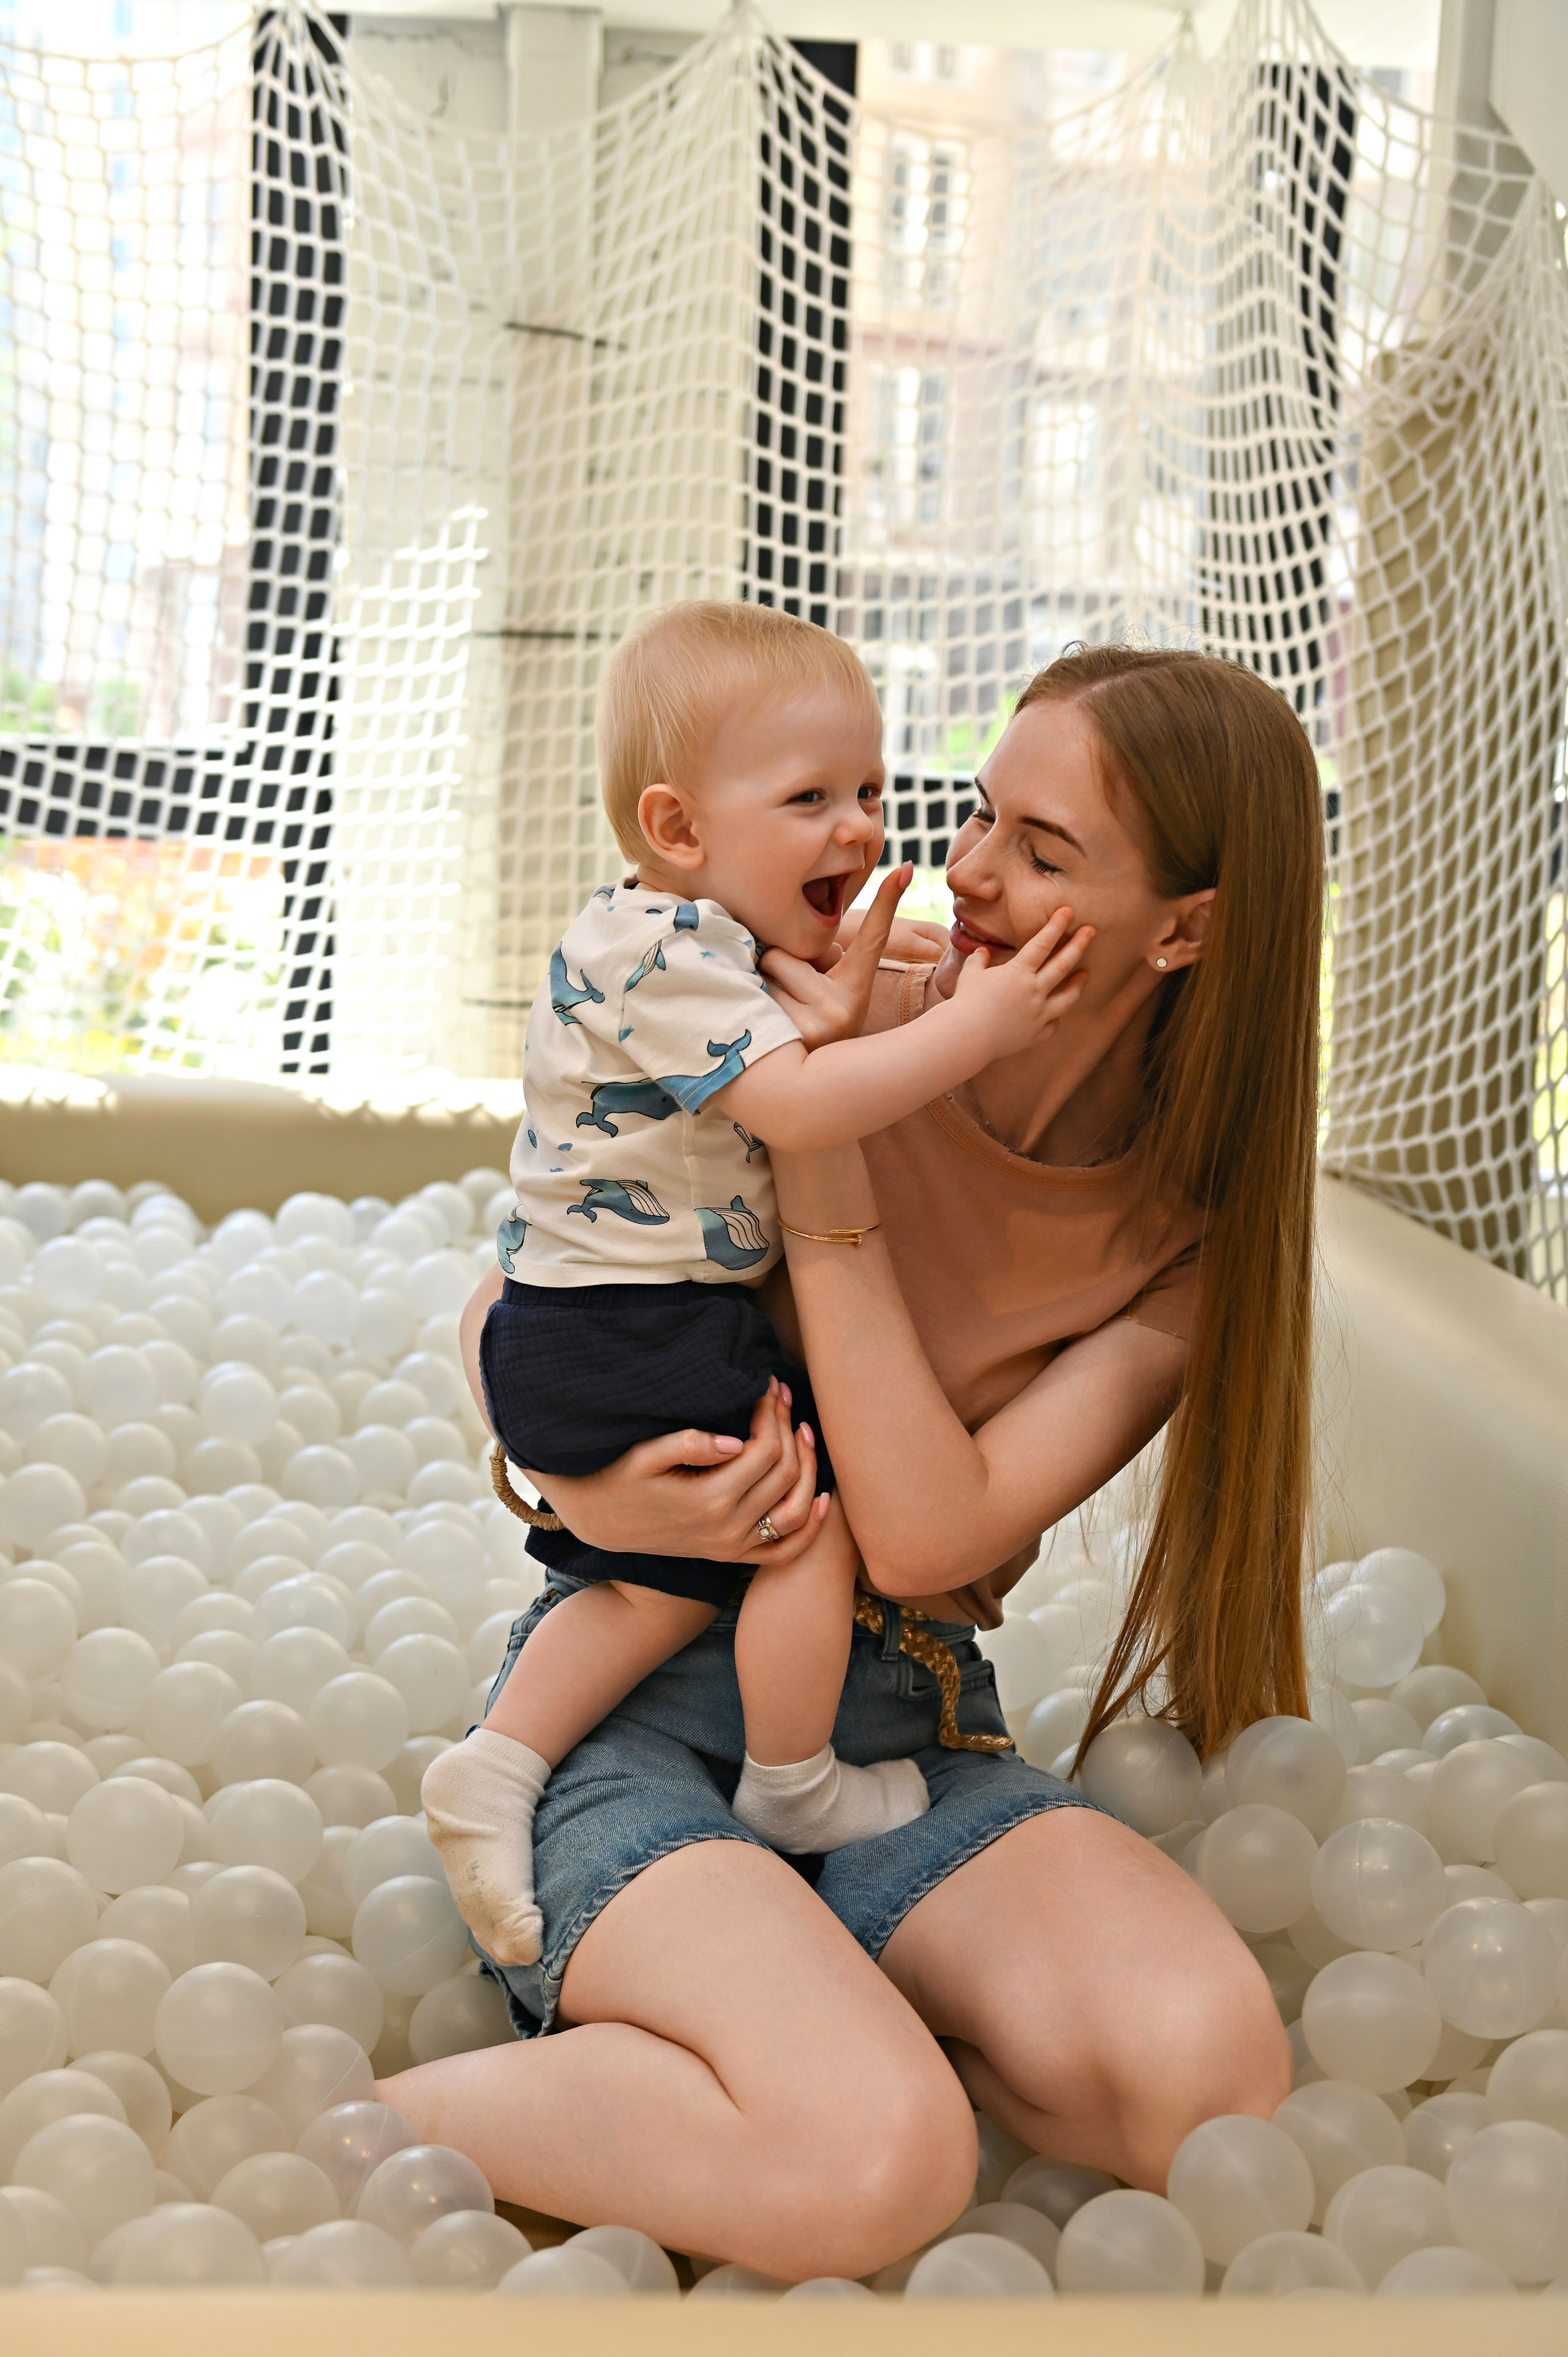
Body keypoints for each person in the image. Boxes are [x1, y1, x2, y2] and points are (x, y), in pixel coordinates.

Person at [382, 644, 1322, 2285]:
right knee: (879, 2165)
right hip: (646, 1716)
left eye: (1044, 849)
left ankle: (799, 2017)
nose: (959, 872)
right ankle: (386, 2133)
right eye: (976, 815)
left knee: (1207, 2083)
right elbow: (517, 1287)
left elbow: (918, 1528)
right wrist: (574, 1492)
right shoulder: (841, 1010)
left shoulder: (1182, 1241)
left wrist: (819, 1173)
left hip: (909, 1730)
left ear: (1186, 928)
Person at [423, 602, 1093, 1967]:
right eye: (810, 799)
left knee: (666, 1578)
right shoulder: (664, 951)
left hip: (618, 1321)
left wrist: (910, 1000)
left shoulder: (710, 948)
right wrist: (976, 1023)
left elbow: (824, 1030)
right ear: (678, 832)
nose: (864, 831)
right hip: (620, 1322)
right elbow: (796, 1107)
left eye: (870, 790)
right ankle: (789, 1777)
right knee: (806, 1518)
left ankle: (497, 1768)